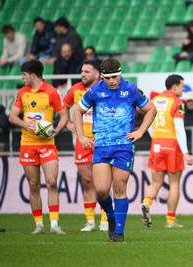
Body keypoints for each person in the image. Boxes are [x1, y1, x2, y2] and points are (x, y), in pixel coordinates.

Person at [73, 58, 157, 242]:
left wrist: (141, 131)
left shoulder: (131, 90)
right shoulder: (95, 90)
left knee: (119, 188)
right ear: (102, 76)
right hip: (101, 146)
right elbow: (77, 111)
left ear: (120, 74)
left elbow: (151, 109)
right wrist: (80, 136)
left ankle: (118, 232)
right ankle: (110, 216)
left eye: (115, 77)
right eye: (108, 77)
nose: (111, 81)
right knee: (101, 190)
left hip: (123, 147)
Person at [8, 59, 69, 235]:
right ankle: (39, 224)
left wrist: (57, 130)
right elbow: (12, 117)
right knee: (33, 185)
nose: (22, 77)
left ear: (33, 75)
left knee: (52, 183)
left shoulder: (51, 92)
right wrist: (24, 124)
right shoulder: (22, 93)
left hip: (47, 144)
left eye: (24, 75)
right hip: (28, 144)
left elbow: (64, 115)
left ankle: (55, 224)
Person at [141, 74, 193, 229]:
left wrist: (156, 139)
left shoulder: (155, 100)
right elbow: (179, 128)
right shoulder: (178, 102)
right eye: (182, 86)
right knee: (174, 183)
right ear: (175, 87)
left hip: (156, 143)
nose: (183, 89)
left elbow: (148, 123)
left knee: (156, 182)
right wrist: (185, 152)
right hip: (172, 145)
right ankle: (170, 221)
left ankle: (146, 202)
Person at [63, 60, 108, 232]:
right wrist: (67, 124)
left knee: (102, 184)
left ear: (97, 74)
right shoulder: (75, 90)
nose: (82, 74)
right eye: (82, 71)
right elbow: (63, 108)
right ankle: (90, 221)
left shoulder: (104, 89)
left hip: (101, 142)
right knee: (88, 182)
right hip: (82, 142)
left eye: (87, 72)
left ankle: (105, 219)